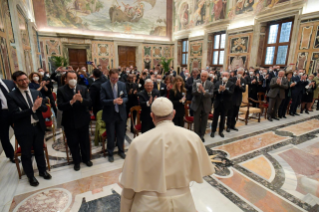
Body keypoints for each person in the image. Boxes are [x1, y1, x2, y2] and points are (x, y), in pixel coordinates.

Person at [120, 97, 215, 212]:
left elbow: (129, 186)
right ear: (173, 114)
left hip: (148, 205)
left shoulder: (138, 143)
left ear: (152, 116)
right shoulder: (192, 137)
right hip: (184, 203)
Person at [7, 71, 51, 186]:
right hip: (24, 130)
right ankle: (30, 176)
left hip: (38, 127)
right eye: (21, 80)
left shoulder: (35, 92)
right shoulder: (12, 96)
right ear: (15, 82)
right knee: (26, 154)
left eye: (25, 79)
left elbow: (45, 109)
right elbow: (14, 115)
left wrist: (40, 106)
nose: (24, 82)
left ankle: (42, 171)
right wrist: (32, 109)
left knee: (39, 151)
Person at [57, 71, 93, 171]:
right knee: (73, 143)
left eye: (74, 77)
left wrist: (81, 100)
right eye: (70, 78)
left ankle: (86, 159)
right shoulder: (61, 90)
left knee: (84, 141)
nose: (73, 79)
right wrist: (71, 101)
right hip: (69, 121)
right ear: (66, 79)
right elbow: (60, 106)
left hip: (83, 120)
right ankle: (76, 161)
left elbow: (89, 102)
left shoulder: (83, 88)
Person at [100, 69, 128, 163]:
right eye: (113, 78)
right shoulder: (104, 86)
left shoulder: (122, 84)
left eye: (116, 78)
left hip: (121, 113)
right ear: (109, 76)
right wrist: (113, 101)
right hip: (110, 114)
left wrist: (122, 101)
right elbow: (102, 100)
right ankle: (110, 153)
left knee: (121, 134)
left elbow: (126, 97)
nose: (115, 80)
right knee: (111, 135)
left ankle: (121, 151)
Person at [191, 71, 214, 142]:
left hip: (206, 105)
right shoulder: (195, 82)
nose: (203, 78)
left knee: (204, 121)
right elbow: (193, 92)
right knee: (196, 121)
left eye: (205, 76)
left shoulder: (210, 84)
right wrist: (198, 90)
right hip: (197, 104)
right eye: (202, 76)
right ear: (200, 76)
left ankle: (202, 135)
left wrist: (203, 91)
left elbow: (211, 95)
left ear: (207, 77)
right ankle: (196, 135)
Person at [211, 72, 235, 138]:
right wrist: (219, 90)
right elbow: (214, 92)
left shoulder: (231, 84)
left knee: (223, 118)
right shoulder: (217, 83)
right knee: (215, 118)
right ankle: (213, 131)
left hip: (225, 103)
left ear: (228, 77)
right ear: (221, 76)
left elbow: (231, 93)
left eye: (226, 75)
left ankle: (221, 131)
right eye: (223, 75)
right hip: (217, 103)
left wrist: (224, 90)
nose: (224, 76)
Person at [0, 78, 16, 163]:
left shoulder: (9, 82)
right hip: (2, 113)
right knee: (4, 136)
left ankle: (27, 149)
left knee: (21, 131)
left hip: (14, 110)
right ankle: (11, 155)